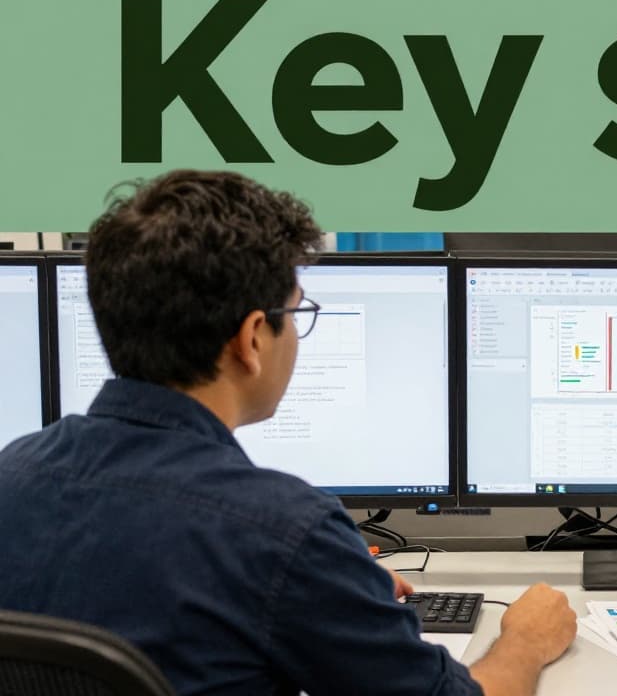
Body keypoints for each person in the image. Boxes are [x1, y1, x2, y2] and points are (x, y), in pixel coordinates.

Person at [0, 170, 576, 696]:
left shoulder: (11, 476)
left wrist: (332, 582)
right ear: (252, 339)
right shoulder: (282, 533)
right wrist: (524, 640)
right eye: (297, 313)